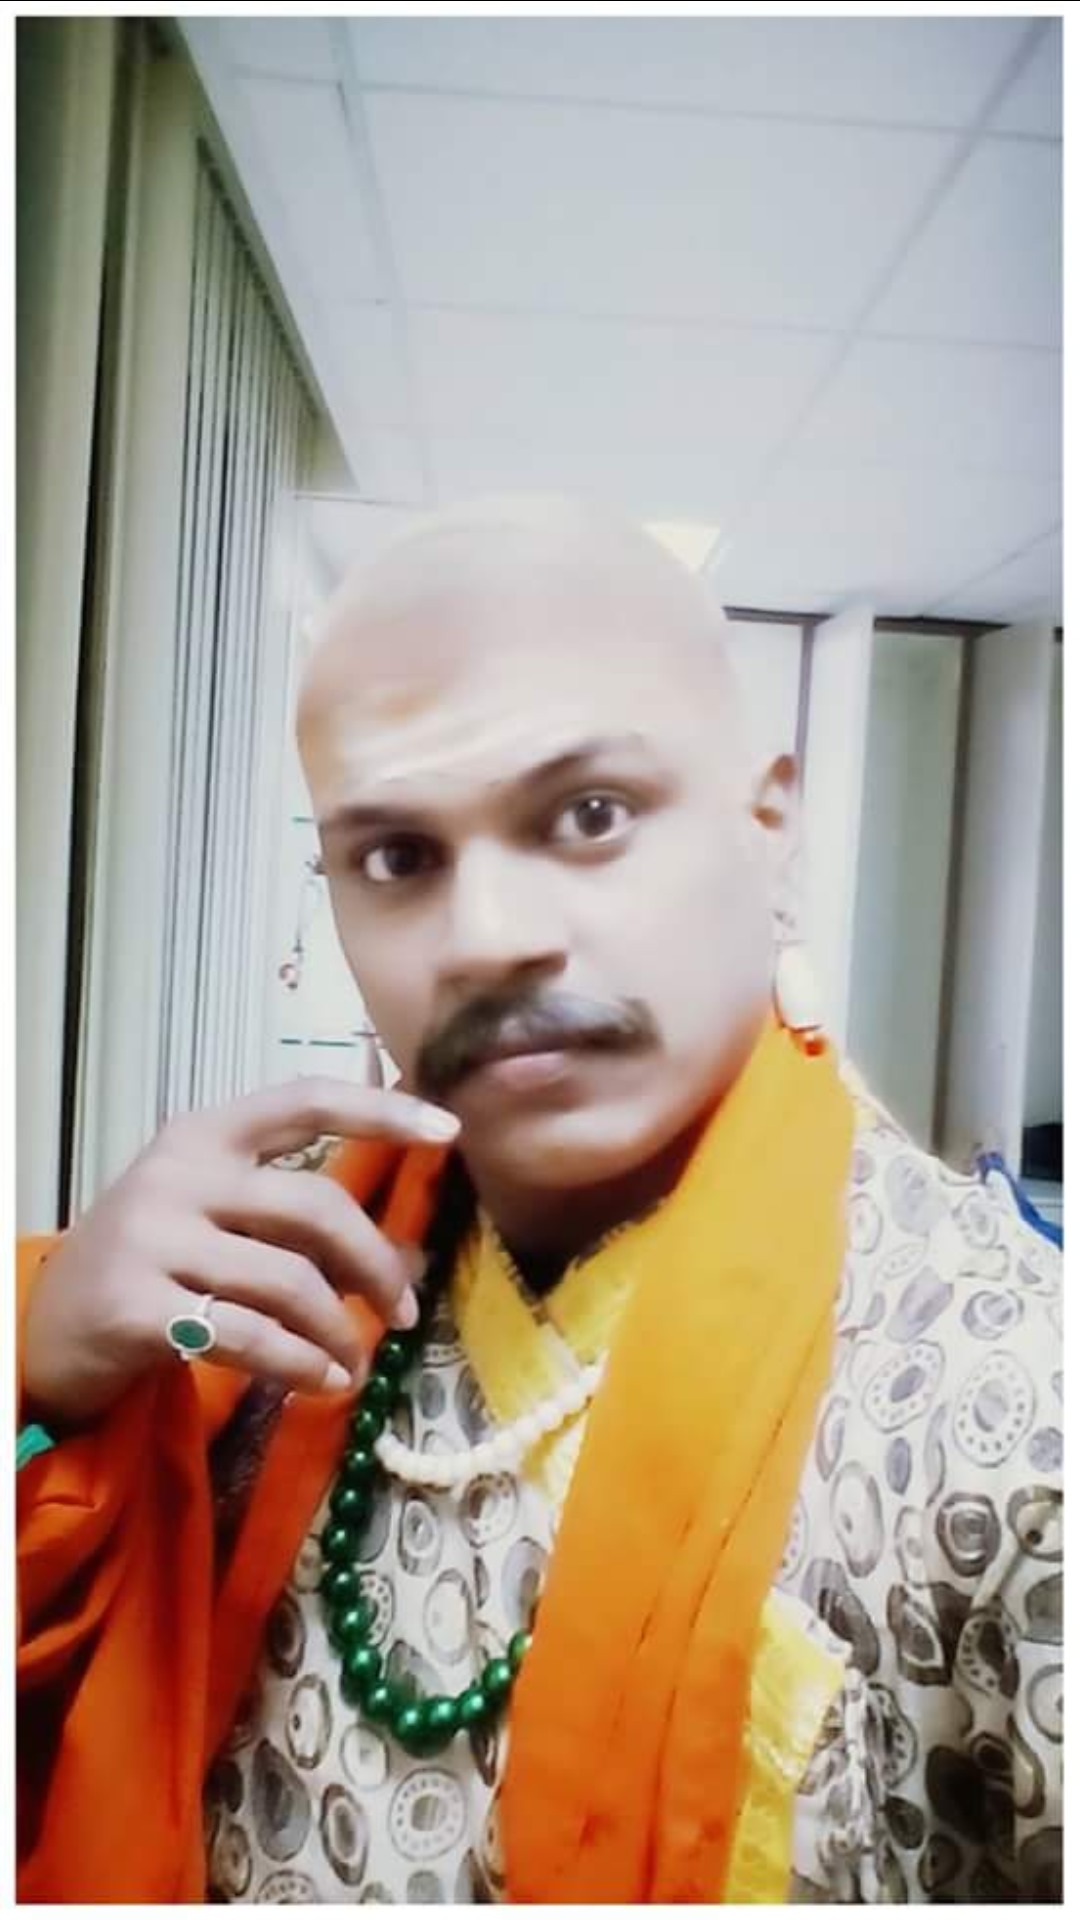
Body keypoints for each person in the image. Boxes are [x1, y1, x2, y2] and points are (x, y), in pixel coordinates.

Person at [16, 498, 1061, 1903]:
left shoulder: (1009, 1396)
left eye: (589, 816)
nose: (489, 938)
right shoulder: (262, 1286)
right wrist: (49, 1380)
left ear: (768, 824)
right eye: (399, 857)